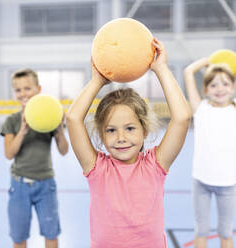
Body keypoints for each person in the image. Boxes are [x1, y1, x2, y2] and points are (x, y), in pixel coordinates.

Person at [66, 38, 192, 248]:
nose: (121, 138)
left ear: (144, 131)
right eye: (111, 130)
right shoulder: (97, 168)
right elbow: (72, 119)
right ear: (102, 134)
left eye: (130, 128)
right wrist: (97, 81)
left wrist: (161, 69)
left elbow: (182, 117)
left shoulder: (155, 165)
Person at [184, 58, 236, 248]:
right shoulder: (201, 109)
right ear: (205, 90)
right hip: (201, 181)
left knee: (225, 232)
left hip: (228, 184)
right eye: (213, 84)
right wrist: (205, 62)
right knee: (201, 230)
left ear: (234, 87)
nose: (220, 88)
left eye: (226, 83)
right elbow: (188, 72)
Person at [0, 69, 69, 248]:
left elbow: (63, 150)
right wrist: (23, 130)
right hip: (19, 185)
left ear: (38, 89)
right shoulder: (12, 121)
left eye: (27, 88)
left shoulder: (49, 118)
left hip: (46, 184)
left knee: (51, 233)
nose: (23, 94)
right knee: (19, 236)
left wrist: (60, 127)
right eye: (18, 90)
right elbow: (9, 154)